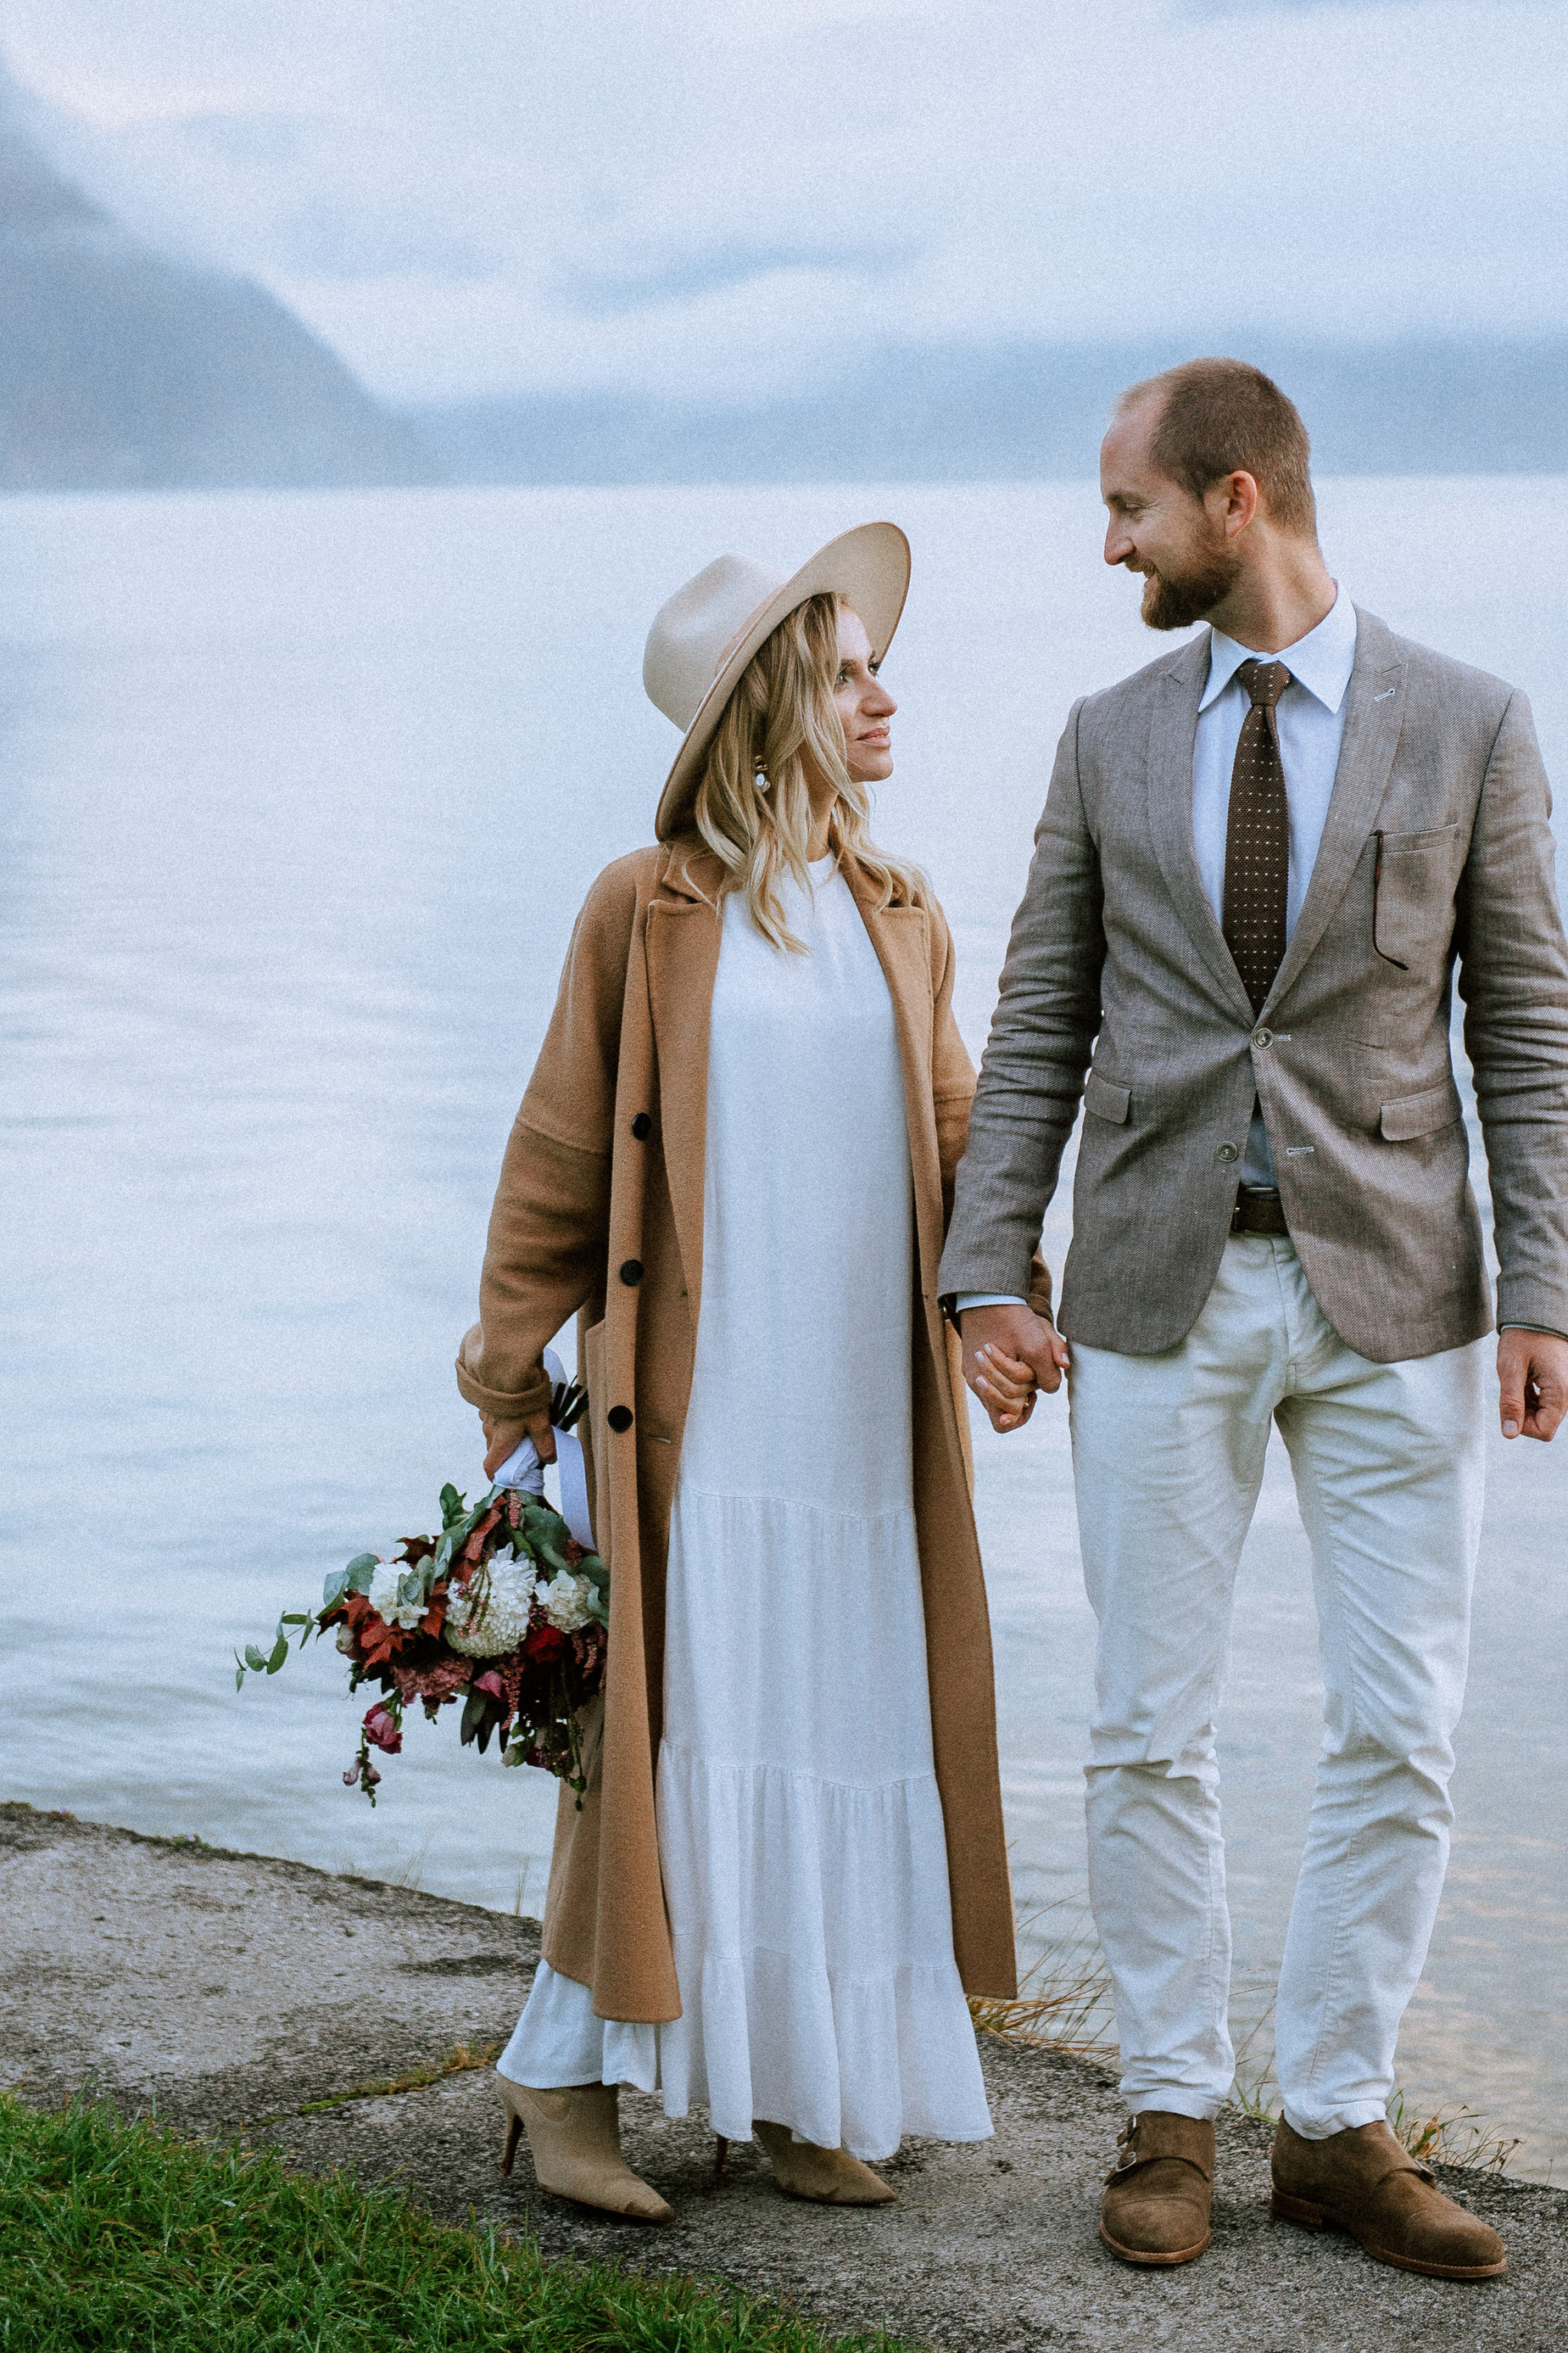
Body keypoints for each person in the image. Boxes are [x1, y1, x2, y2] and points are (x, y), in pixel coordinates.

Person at [942, 360, 1568, 2283]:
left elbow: (1524, 1028)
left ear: (1237, 502)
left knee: (1402, 1727)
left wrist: (1541, 1290)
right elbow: (1038, 1016)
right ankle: (1164, 2113)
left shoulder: (1467, 724)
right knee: (1146, 1724)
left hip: (1398, 1301)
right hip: (1151, 1286)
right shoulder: (1102, 734)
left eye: (1127, 506)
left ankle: (1329, 2124)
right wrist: (992, 1269)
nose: (1106, 541)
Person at [459, 523, 1027, 2222]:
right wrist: (503, 1379)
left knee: (840, 1734)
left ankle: (786, 2093)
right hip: (696, 1429)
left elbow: (958, 1133)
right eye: (847, 675)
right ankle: (554, 2091)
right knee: (670, 1750)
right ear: (768, 703)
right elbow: (558, 1152)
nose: (881, 700)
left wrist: (1003, 1304)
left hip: (860, 1428)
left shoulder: (901, 909)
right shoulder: (646, 908)